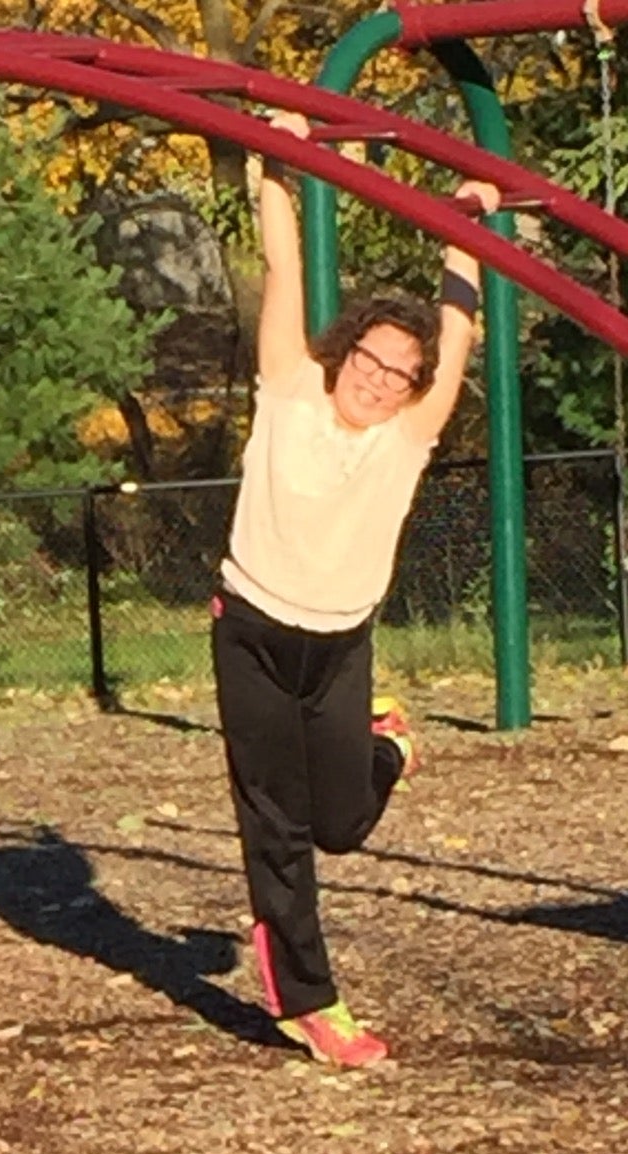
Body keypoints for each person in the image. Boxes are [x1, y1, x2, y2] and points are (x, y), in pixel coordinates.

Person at [212, 112, 501, 1069]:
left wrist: (472, 233)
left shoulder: (408, 437)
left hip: (339, 646)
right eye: (370, 361)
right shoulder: (291, 385)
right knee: (278, 826)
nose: (379, 381)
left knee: (340, 825)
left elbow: (457, 336)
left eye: (399, 374)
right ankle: (312, 1004)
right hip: (251, 628)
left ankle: (383, 749)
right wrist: (277, 166)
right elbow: (284, 267)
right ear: (345, 353)